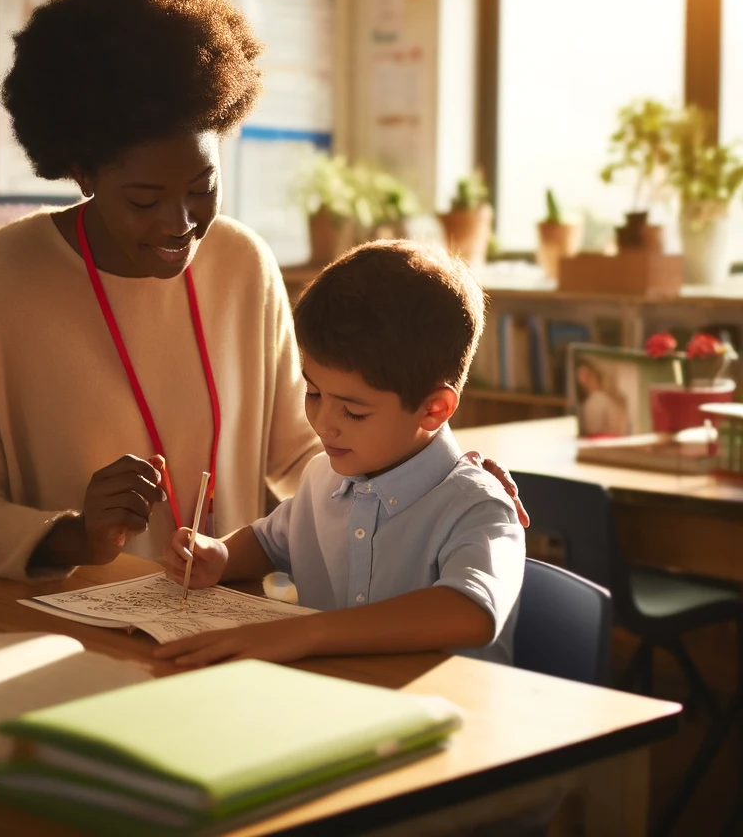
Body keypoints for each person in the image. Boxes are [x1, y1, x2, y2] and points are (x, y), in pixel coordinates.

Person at [0, 0, 524, 582]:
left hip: (224, 622)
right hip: (63, 635)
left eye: (203, 187)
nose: (180, 223)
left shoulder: (243, 263)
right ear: (83, 174)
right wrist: (78, 535)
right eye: (144, 200)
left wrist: (434, 478)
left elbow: (315, 455)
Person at [158, 241, 526, 667]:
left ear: (433, 408)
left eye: (352, 410)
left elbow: (470, 612)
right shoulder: (323, 479)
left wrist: (308, 632)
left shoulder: (478, 506)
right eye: (313, 392)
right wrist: (218, 555)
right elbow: (269, 542)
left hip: (446, 719)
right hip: (338, 705)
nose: (323, 422)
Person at [576, 359, 628, 437]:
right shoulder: (590, 400)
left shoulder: (600, 399)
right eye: (580, 374)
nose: (581, 379)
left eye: (585, 374)